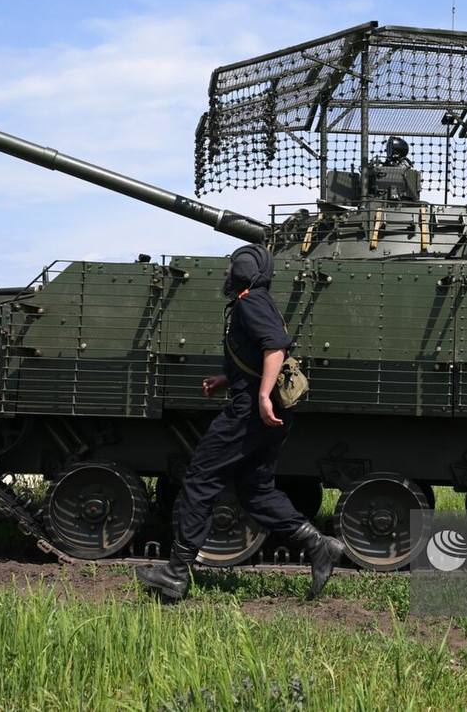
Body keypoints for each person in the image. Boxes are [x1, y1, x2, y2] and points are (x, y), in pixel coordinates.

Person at [137, 245, 345, 601]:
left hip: (249, 413)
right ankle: (318, 545)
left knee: (200, 478)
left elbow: (275, 348)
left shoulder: (250, 302)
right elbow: (256, 351)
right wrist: (226, 378)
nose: (227, 273)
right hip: (260, 412)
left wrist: (262, 395)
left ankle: (175, 573)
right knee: (255, 489)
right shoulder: (256, 301)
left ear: (244, 271)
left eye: (233, 267)